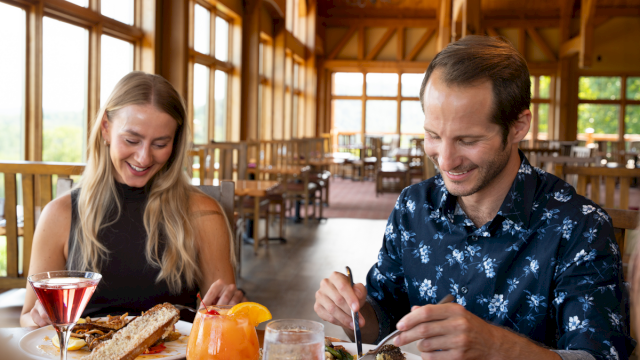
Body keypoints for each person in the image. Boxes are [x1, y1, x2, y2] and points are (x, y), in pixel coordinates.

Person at [314, 36, 635, 359]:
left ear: (518, 126)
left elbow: (601, 356)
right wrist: (353, 313)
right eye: (433, 135)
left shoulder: (580, 225)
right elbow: (383, 321)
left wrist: (497, 346)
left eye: (468, 140)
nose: (446, 160)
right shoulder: (414, 205)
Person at [21, 71, 244, 327]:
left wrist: (228, 311)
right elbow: (27, 317)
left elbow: (223, 317)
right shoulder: (60, 214)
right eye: (131, 140)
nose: (143, 158)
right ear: (106, 127)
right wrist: (38, 319)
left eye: (160, 144)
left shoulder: (202, 212)